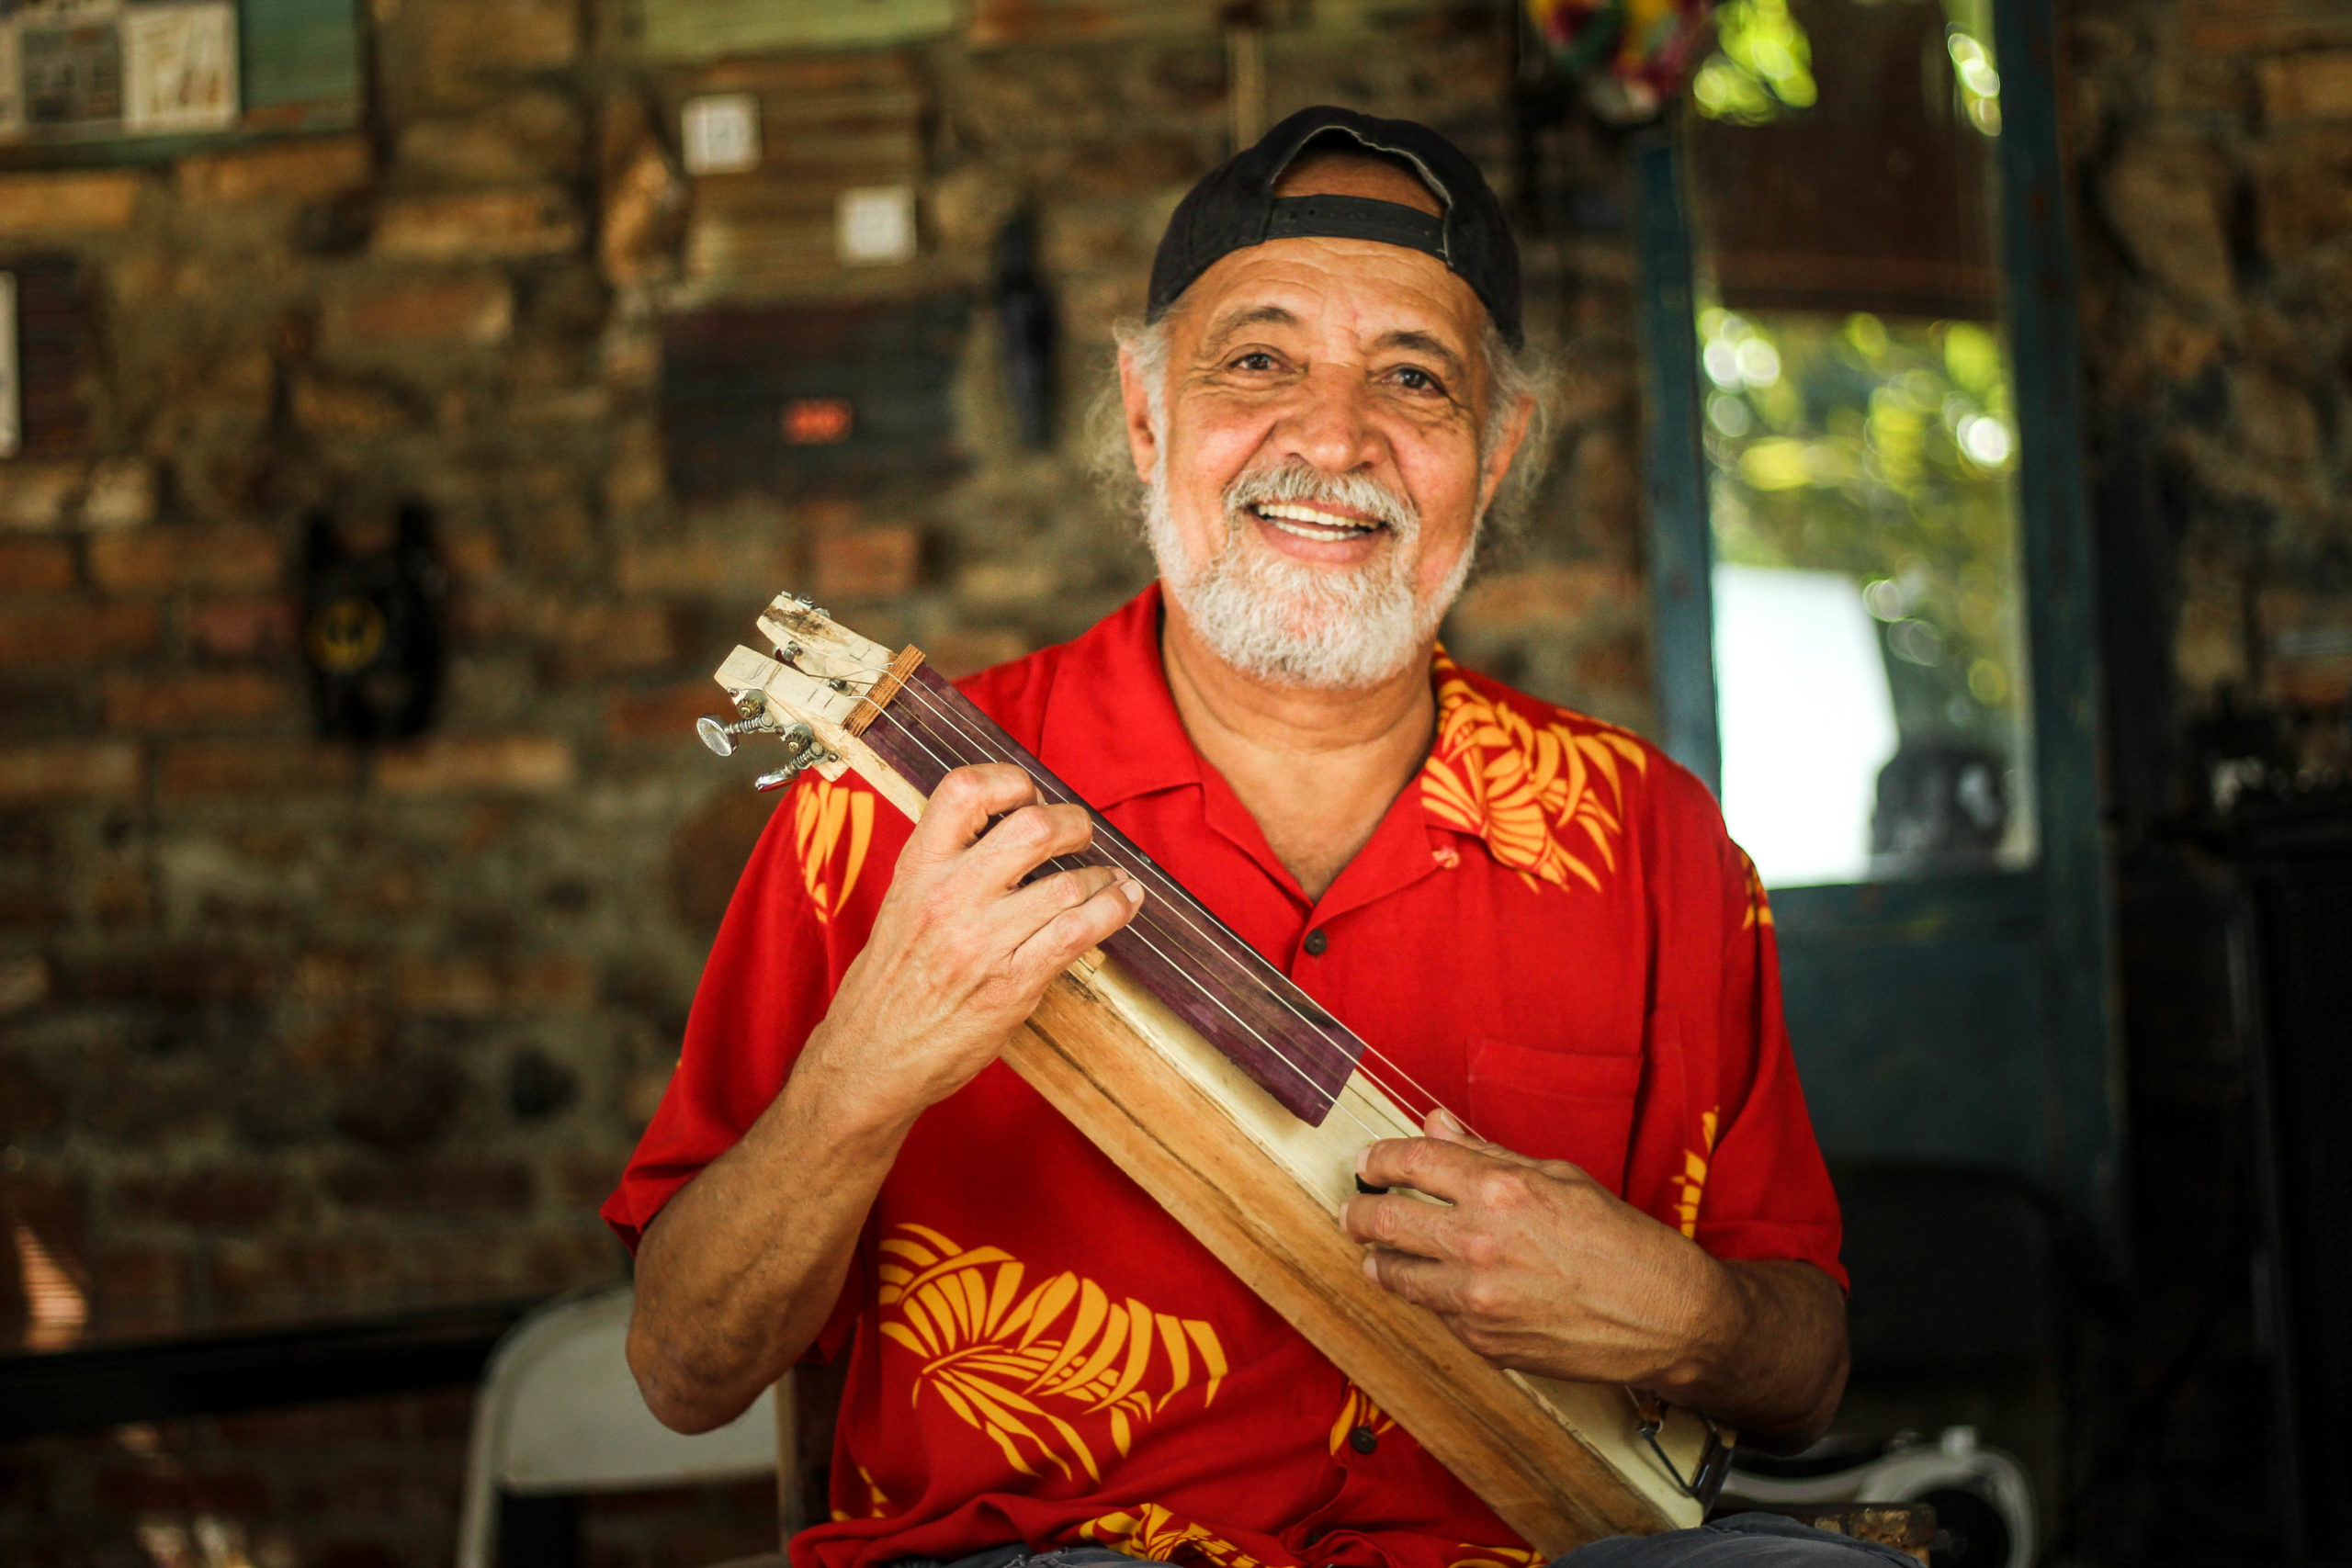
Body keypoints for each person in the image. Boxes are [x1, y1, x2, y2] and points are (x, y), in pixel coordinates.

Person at [606, 107, 1883, 1568]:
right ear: (1148, 413)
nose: (1334, 438)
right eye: (1257, 362)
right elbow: (684, 1372)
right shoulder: (892, 810)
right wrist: (868, 1067)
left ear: (1500, 445)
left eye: (1414, 379)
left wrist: (1685, 1316)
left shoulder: (1653, 843)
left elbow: (1804, 1373)